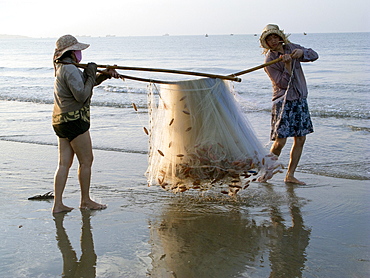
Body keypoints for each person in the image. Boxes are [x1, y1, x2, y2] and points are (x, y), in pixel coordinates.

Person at [52, 34, 120, 213]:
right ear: (72, 52)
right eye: (78, 50)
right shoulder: (70, 69)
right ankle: (85, 200)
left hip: (61, 121)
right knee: (87, 160)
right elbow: (82, 95)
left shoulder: (63, 67)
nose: (80, 53)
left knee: (64, 163)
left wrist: (103, 75)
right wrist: (90, 73)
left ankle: (58, 204)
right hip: (75, 120)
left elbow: (83, 85)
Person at [260, 24, 318, 185]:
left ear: (280, 37)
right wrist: (287, 66)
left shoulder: (292, 47)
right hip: (283, 102)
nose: (273, 41)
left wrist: (302, 53)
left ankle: (290, 175)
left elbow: (314, 55)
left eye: (275, 37)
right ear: (266, 42)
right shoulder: (270, 60)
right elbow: (282, 84)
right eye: (269, 39)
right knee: (280, 141)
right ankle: (266, 173)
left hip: (299, 99)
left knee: (300, 139)